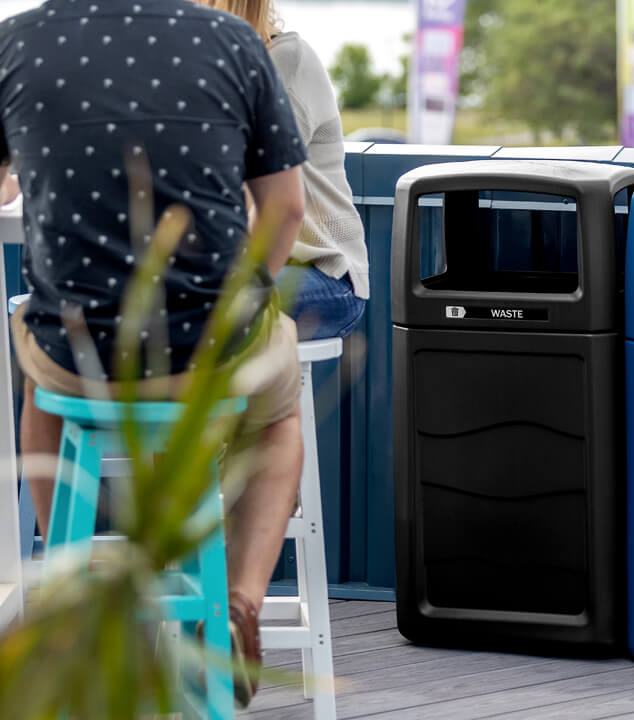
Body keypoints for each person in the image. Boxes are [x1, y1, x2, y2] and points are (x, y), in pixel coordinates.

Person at [0, 0, 310, 706]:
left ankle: (77, 588)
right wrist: (250, 300)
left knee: (37, 370)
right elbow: (287, 207)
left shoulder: (14, 43)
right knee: (276, 415)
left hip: (80, 361)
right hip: (213, 355)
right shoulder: (232, 39)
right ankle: (239, 601)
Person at [209, 0, 369, 341]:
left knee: (198, 308)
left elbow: (262, 201)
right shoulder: (212, 70)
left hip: (325, 273)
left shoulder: (285, 60)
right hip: (253, 265)